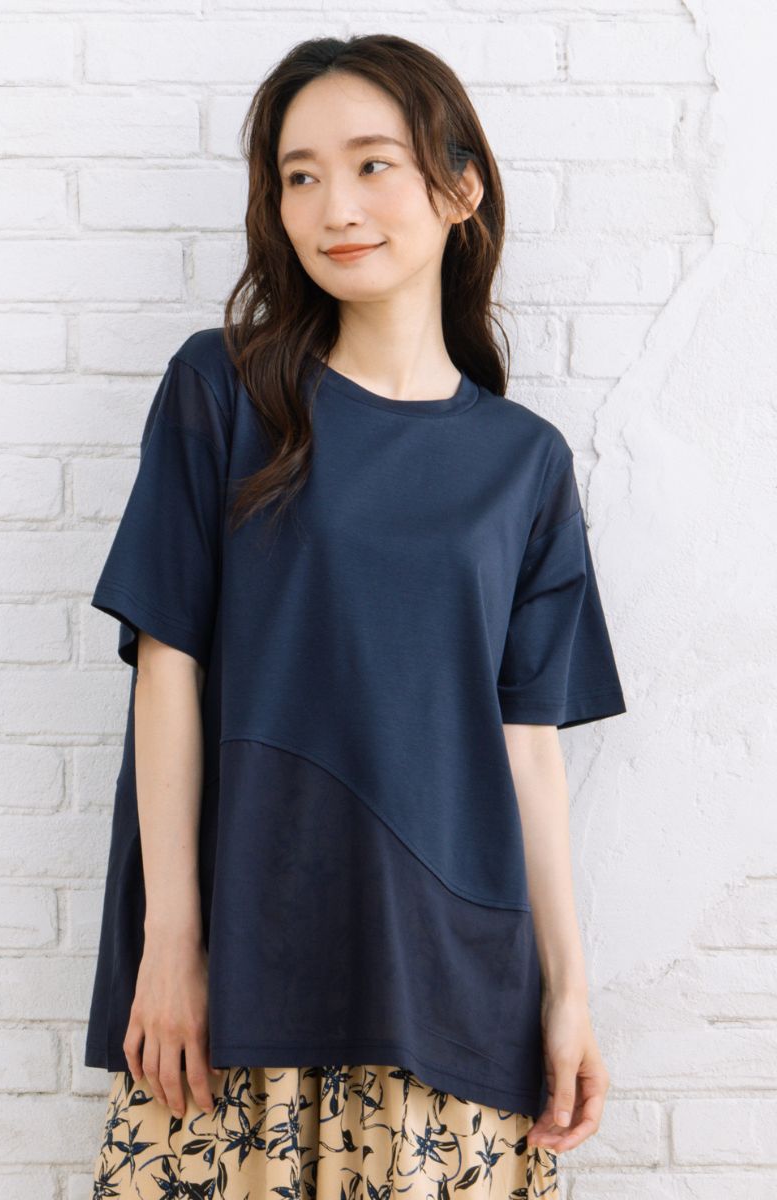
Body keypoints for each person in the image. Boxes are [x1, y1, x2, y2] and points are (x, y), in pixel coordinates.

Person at [87, 33, 627, 1199]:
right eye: (300, 175)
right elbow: (166, 666)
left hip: (451, 992)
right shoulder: (222, 391)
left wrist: (569, 993)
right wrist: (169, 939)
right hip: (241, 972)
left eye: (372, 164)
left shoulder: (524, 464)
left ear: (460, 189)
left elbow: (527, 751)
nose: (333, 206)